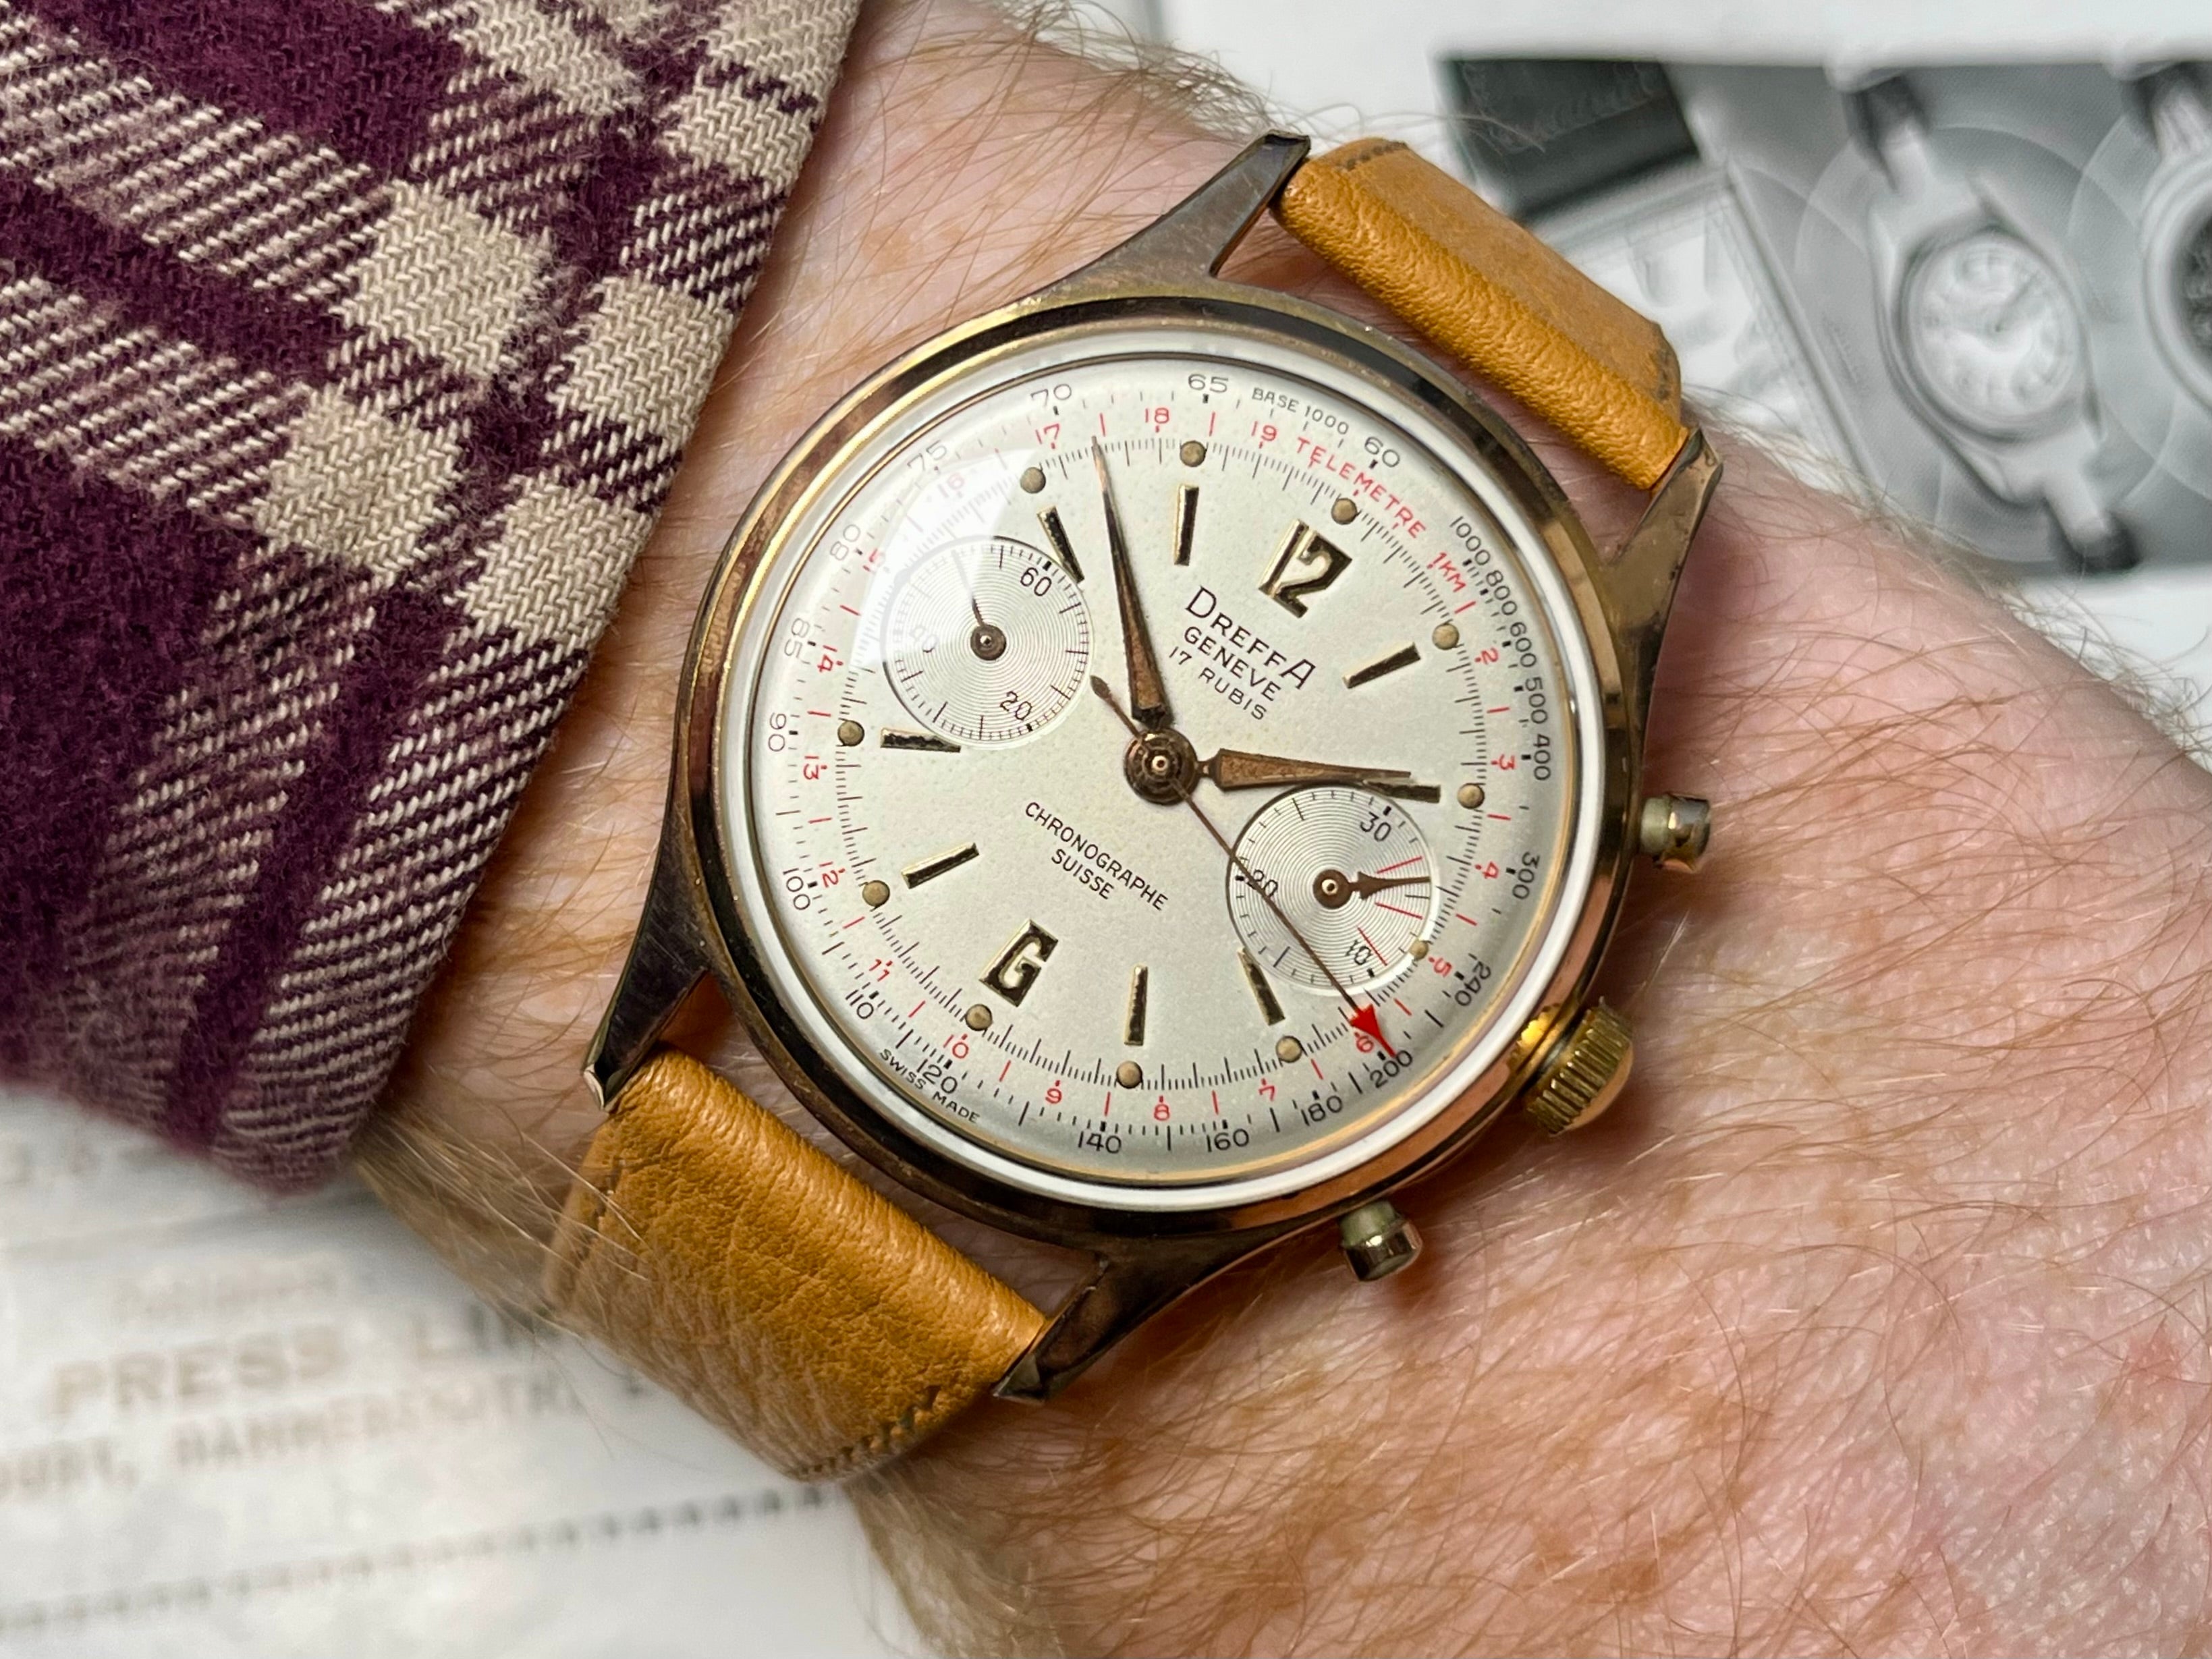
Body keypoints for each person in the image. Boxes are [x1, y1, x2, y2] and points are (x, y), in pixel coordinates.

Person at [9, 1, 2212, 1654]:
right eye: (1175, 748)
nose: (1168, 764)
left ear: (1556, 1023)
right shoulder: (1212, 298)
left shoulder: (1430, 1028)